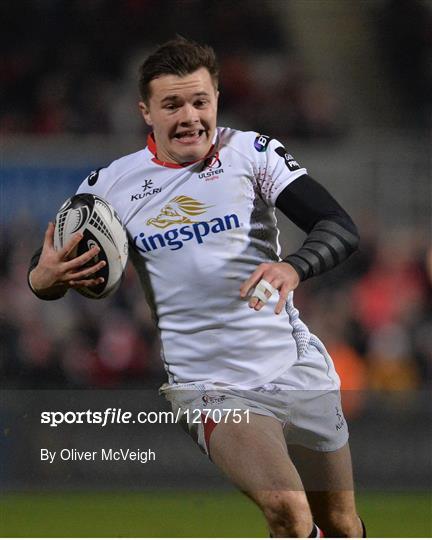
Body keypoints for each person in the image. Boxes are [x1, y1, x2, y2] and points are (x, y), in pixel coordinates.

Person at [28, 37, 365, 537]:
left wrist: (293, 267)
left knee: (339, 523)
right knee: (290, 514)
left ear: (216, 102)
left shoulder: (251, 153)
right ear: (146, 111)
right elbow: (46, 267)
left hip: (294, 363)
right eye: (172, 105)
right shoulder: (110, 186)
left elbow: (338, 226)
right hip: (208, 385)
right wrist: (45, 277)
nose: (189, 116)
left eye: (199, 101)